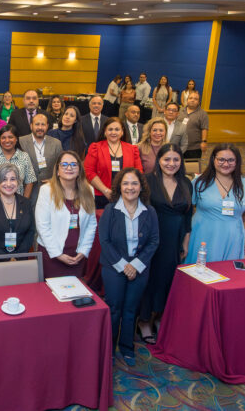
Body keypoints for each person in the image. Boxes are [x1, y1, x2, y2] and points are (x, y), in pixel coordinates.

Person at [98, 168, 159, 366]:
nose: (130, 187)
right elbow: (104, 241)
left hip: (140, 267)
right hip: (114, 266)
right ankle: (109, 349)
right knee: (114, 309)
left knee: (131, 310)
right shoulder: (110, 210)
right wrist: (125, 266)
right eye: (126, 183)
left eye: (134, 183)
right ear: (119, 187)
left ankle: (127, 348)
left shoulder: (149, 212)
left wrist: (136, 265)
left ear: (141, 187)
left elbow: (154, 241)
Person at [137, 144, 192, 344]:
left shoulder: (186, 182)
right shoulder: (148, 181)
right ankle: (144, 320)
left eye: (175, 160)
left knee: (168, 279)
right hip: (151, 238)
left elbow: (187, 216)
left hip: (175, 238)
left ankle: (159, 316)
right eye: (167, 159)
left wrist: (185, 241)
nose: (171, 164)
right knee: (150, 279)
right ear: (159, 160)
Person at [184, 144, 245, 263]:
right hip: (202, 233)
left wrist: (229, 221)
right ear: (213, 160)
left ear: (237, 161)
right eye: (221, 159)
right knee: (199, 273)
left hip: (232, 236)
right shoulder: (199, 182)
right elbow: (187, 209)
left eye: (231, 160)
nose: (226, 164)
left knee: (227, 273)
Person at [35, 151, 97, 278]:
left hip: (77, 256)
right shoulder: (46, 191)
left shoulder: (89, 190)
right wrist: (58, 254)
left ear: (79, 170)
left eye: (74, 164)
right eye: (64, 164)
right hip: (52, 255)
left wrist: (84, 251)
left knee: (74, 293)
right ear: (57, 171)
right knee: (50, 295)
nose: (69, 168)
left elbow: (91, 224)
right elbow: (42, 226)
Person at [0, 164, 35, 274]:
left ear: (18, 181)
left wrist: (17, 257)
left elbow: (30, 232)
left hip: (20, 262)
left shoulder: (26, 204)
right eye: (4, 179)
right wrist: (7, 259)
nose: (8, 184)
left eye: (13, 179)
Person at [84, 117, 143, 209]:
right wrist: (106, 191)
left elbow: (139, 172)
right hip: (101, 196)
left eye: (117, 129)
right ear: (105, 132)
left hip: (127, 196)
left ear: (122, 132)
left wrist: (129, 190)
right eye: (110, 129)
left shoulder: (132, 149)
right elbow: (89, 171)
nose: (113, 132)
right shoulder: (95, 148)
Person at [0, 125, 36, 199]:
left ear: (16, 139)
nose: (7, 140)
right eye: (3, 138)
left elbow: (30, 181)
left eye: (10, 137)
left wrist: (23, 203)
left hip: (16, 204)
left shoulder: (24, 156)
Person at [19, 113, 63, 205]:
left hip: (50, 189)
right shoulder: (20, 141)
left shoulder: (56, 143)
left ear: (47, 126)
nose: (40, 127)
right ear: (31, 126)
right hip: (26, 189)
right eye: (37, 124)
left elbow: (61, 165)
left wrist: (55, 179)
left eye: (43, 124)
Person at [179, 91, 209, 160]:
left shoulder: (203, 114)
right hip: (179, 145)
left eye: (196, 99)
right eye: (190, 98)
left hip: (194, 148)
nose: (192, 100)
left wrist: (204, 142)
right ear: (187, 100)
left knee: (192, 168)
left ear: (199, 102)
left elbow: (204, 128)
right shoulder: (180, 111)